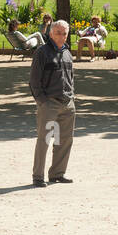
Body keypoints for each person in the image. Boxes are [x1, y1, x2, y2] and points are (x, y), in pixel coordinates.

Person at [30, 20, 75, 187]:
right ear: (51, 33)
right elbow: (34, 81)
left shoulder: (67, 52)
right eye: (58, 33)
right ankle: (38, 177)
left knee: (65, 140)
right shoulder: (42, 53)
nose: (62, 37)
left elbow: (71, 77)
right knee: (45, 139)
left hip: (68, 103)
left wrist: (72, 96)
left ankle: (57, 173)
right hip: (49, 103)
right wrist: (42, 102)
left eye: (64, 33)